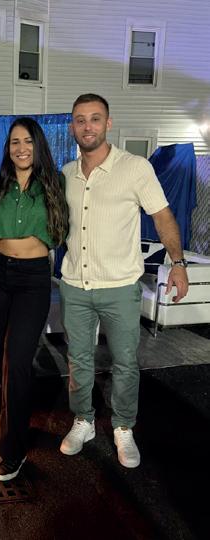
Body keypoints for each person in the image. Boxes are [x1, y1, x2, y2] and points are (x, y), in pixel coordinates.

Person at [59, 93, 189, 468]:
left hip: (119, 287)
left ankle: (123, 427)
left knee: (125, 362)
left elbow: (163, 216)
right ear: (72, 127)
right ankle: (83, 420)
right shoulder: (66, 173)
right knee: (78, 360)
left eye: (95, 118)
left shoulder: (135, 168)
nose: (87, 126)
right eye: (80, 119)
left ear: (108, 123)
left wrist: (178, 263)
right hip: (75, 285)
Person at [0, 117, 68, 481]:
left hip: (33, 279)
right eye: (15, 142)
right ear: (8, 148)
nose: (21, 148)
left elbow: (65, 228)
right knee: (3, 361)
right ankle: (11, 428)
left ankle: (12, 450)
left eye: (28, 141)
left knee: (17, 360)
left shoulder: (54, 183)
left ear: (38, 145)